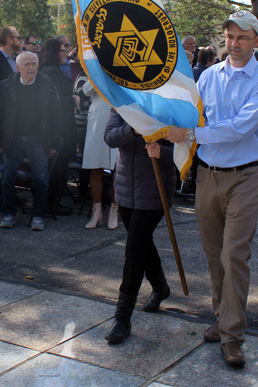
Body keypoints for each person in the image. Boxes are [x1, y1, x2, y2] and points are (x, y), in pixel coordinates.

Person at [165, 10, 258, 367]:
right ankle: (222, 316)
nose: (234, 44)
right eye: (230, 37)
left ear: (257, 41)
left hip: (245, 177)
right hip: (208, 176)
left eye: (243, 37)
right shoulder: (209, 75)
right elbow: (191, 114)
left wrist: (191, 135)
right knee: (215, 256)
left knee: (234, 255)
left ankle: (232, 335)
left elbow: (239, 128)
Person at [103, 108, 176, 344]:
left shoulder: (166, 104)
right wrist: (134, 128)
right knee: (143, 242)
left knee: (134, 249)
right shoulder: (121, 103)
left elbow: (184, 150)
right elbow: (110, 137)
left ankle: (122, 318)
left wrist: (162, 152)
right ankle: (160, 287)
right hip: (125, 189)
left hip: (154, 188)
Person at [0, 52, 62, 231]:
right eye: (27, 64)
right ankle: (8, 214)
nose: (31, 68)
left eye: (34, 64)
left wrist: (54, 143)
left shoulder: (46, 83)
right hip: (12, 138)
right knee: (7, 178)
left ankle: (38, 216)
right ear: (18, 67)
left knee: (41, 179)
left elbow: (56, 114)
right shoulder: (6, 85)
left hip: (38, 139)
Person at [39, 39, 78, 216]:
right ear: (54, 52)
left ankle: (53, 200)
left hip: (63, 125)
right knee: (56, 166)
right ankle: (51, 202)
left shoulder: (52, 71)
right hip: (58, 128)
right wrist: (73, 100)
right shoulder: (50, 72)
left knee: (60, 165)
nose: (66, 53)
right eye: (63, 50)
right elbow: (54, 102)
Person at [81, 81, 118, 230]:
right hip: (97, 118)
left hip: (119, 115)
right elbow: (86, 90)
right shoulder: (95, 65)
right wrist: (99, 73)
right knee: (95, 166)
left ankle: (114, 211)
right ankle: (96, 212)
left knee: (117, 168)